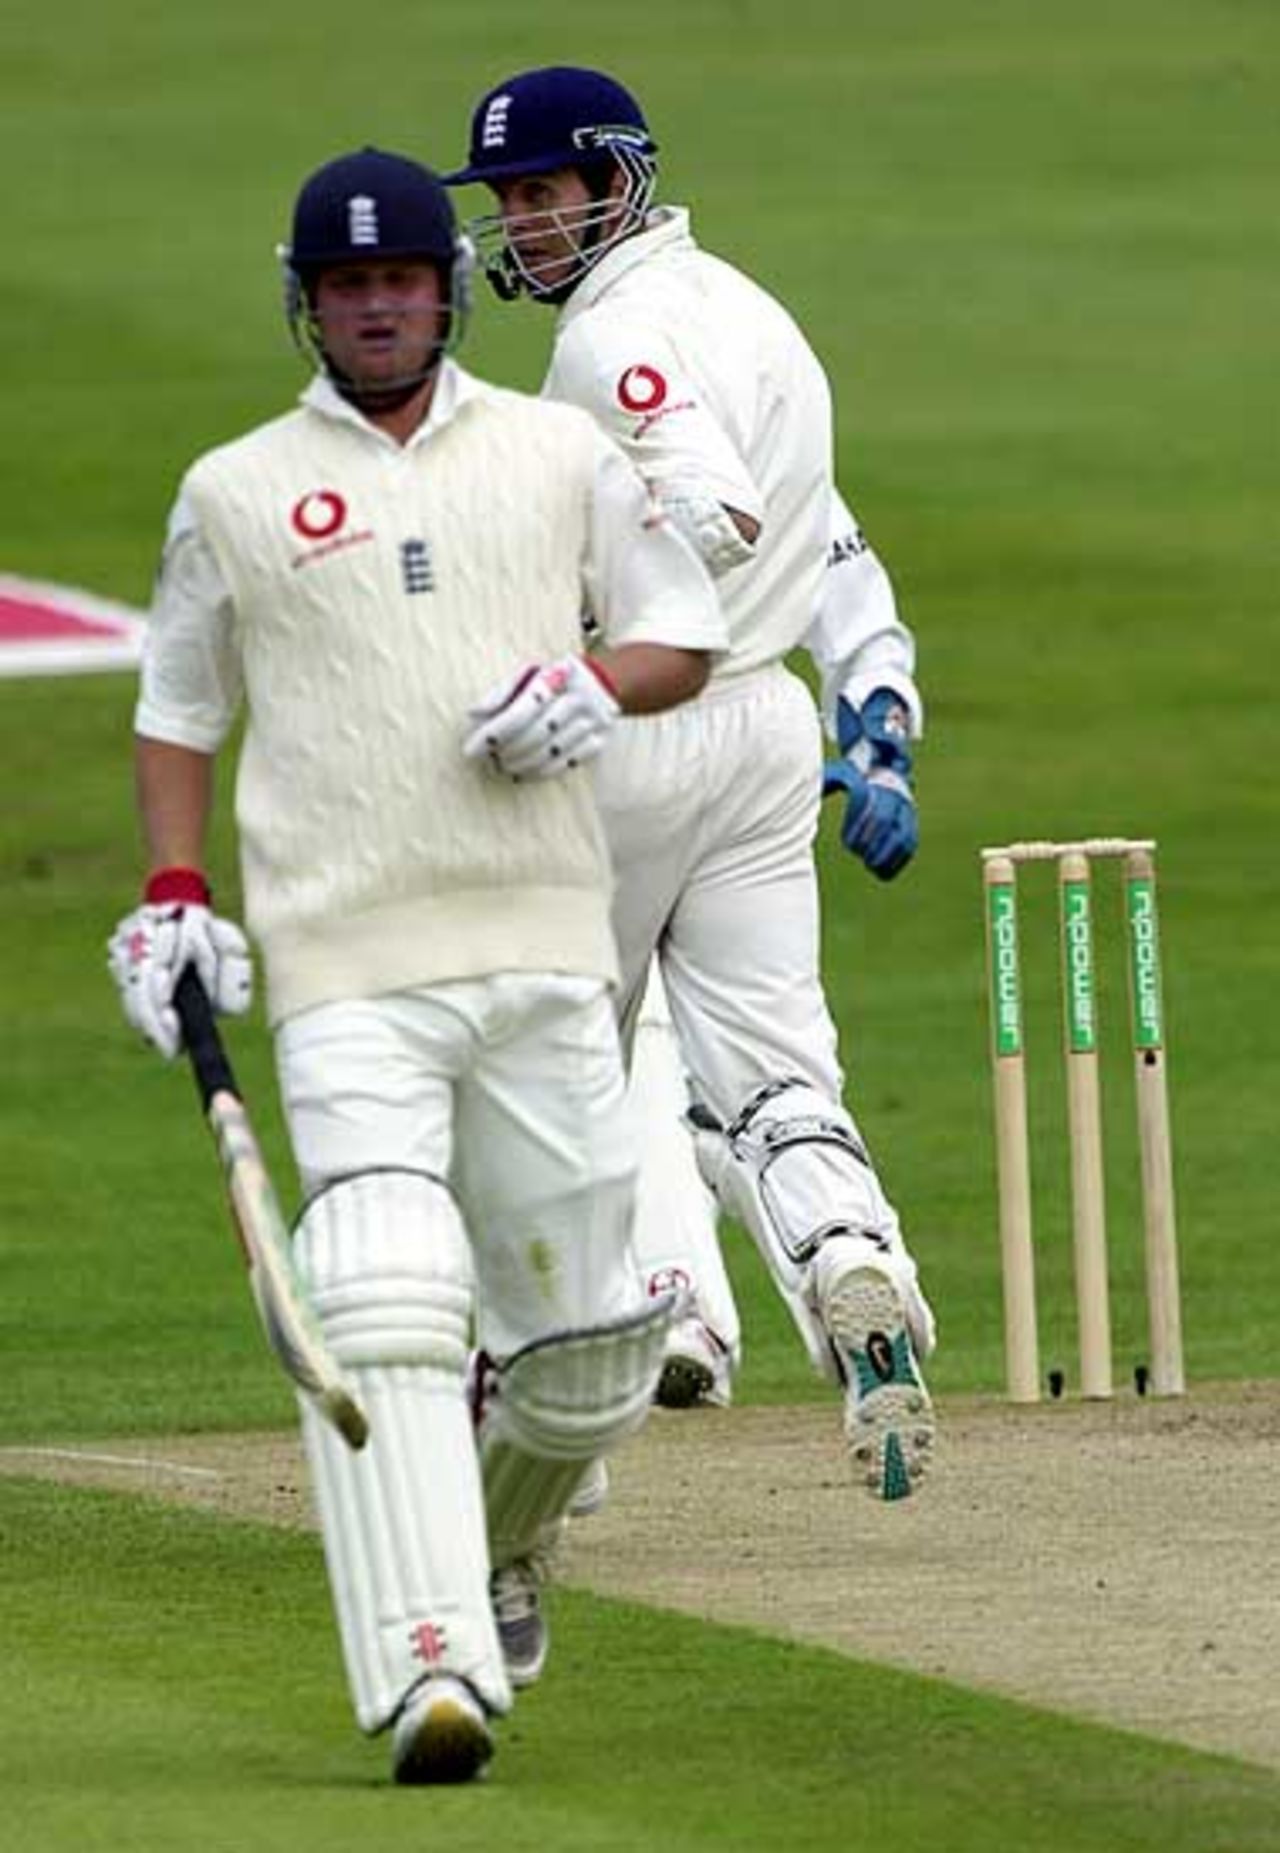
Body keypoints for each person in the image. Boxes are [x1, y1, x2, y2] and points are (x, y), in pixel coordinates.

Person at [106, 147, 725, 1786]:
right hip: (344, 959)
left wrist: (604, 689)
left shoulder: (556, 452)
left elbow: (686, 626)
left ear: (445, 292)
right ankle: (427, 1659)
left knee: (590, 1356)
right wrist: (176, 890)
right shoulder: (234, 489)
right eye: (345, 286)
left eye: (401, 282)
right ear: (305, 304)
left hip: (539, 942)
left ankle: (503, 1544)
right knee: (380, 1278)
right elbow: (177, 709)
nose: (377, 308)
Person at [445, 67, 936, 1504]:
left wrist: (577, 615)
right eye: (509, 202)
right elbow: (821, 530)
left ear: (615, 184)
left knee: (542, 1075)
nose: (521, 226)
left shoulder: (617, 339)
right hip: (772, 734)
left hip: (640, 725)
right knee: (775, 1070)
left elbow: (712, 505)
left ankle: (555, 1442)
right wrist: (878, 706)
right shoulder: (750, 307)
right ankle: (855, 1268)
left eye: (542, 195)